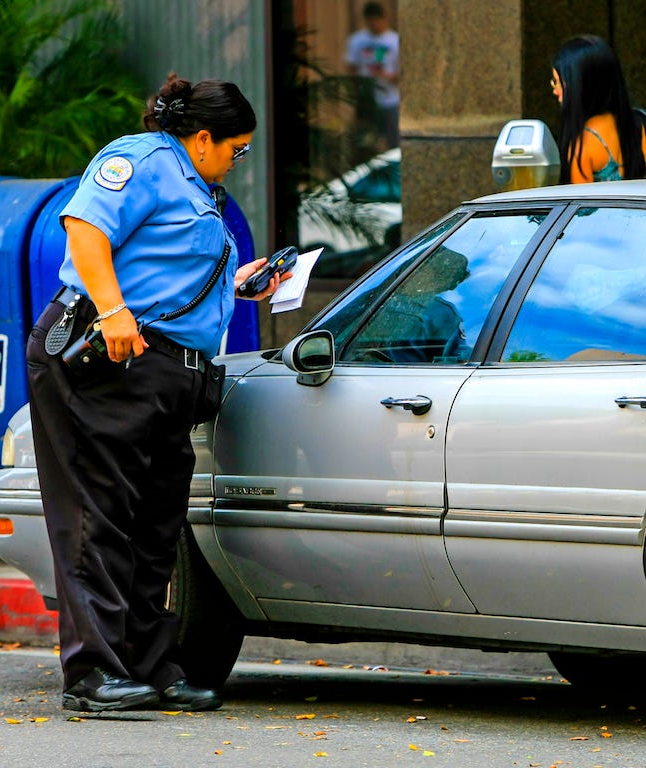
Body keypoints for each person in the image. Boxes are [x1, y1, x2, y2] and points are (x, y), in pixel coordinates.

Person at [25, 73, 287, 714]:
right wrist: (113, 311)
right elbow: (84, 229)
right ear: (202, 138)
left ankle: (151, 667)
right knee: (99, 517)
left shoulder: (198, 186)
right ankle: (93, 674)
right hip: (107, 359)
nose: (237, 159)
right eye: (236, 148)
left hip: (169, 374)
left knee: (154, 526)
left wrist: (242, 281)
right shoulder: (139, 161)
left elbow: (172, 275)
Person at [550, 34, 646, 184]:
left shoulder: (582, 145)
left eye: (558, 83)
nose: (555, 91)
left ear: (579, 86)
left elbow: (583, 204)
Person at [345, 1, 400, 150]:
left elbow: (403, 74)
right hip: (366, 99)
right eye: (371, 20)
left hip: (390, 99)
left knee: (393, 142)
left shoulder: (395, 41)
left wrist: (388, 76)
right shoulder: (357, 40)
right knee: (365, 143)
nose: (374, 24)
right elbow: (351, 67)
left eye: (377, 20)